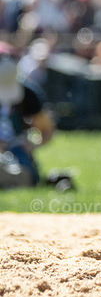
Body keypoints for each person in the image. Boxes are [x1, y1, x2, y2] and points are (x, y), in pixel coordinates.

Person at [0, 45, 55, 189]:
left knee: (25, 170)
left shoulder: (28, 93)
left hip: (14, 148)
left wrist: (31, 144)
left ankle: (16, 176)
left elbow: (47, 131)